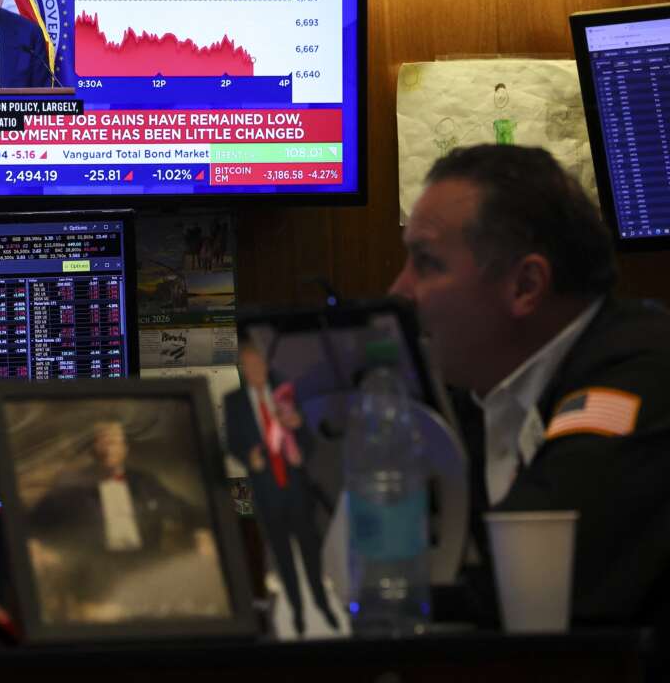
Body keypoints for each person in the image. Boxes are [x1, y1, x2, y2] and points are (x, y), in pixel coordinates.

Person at [390, 143, 670, 628]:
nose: (399, 290)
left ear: (525, 286)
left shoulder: (644, 378)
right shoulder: (477, 397)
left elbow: (523, 586)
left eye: (428, 263)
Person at [26, 420, 222, 622]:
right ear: (92, 448)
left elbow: (187, 511)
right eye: (103, 441)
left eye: (115, 441)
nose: (109, 448)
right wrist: (35, 545)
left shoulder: (145, 482)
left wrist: (202, 531)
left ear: (124, 448)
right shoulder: (71, 485)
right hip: (95, 571)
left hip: (146, 565)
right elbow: (32, 523)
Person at [225, 340, 337, 636]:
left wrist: (298, 430)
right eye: (249, 367)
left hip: (296, 489)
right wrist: (249, 457)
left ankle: (323, 606)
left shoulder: (284, 393)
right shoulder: (234, 403)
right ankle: (297, 613)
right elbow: (233, 443)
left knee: (312, 553)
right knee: (283, 560)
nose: (256, 370)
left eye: (259, 364)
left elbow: (308, 441)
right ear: (242, 371)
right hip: (266, 494)